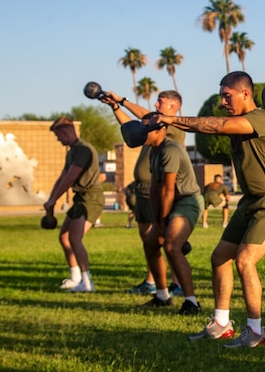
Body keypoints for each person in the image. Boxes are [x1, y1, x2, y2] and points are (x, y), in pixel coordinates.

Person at [157, 72, 265, 349]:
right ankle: (221, 324)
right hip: (250, 201)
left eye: (227, 95)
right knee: (220, 257)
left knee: (244, 261)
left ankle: (255, 331)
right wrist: (121, 102)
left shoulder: (259, 119)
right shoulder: (240, 120)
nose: (222, 101)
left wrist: (172, 120)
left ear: (245, 93)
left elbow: (216, 126)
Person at [99, 88, 187, 295]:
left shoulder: (173, 126)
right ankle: (152, 282)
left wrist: (123, 100)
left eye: (161, 102)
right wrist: (114, 107)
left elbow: (146, 117)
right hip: (142, 189)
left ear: (174, 106)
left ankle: (178, 284)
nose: (156, 105)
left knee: (167, 240)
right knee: (149, 240)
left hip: (158, 189)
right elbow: (132, 127)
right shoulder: (150, 128)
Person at [133, 113, 205, 315]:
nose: (141, 132)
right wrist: (157, 221)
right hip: (170, 201)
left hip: (187, 200)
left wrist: (164, 222)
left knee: (172, 246)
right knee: (150, 243)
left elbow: (168, 190)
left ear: (160, 130)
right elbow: (156, 189)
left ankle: (191, 302)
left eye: (145, 128)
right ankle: (162, 296)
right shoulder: (154, 151)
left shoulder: (170, 149)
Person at [44, 116, 103, 292]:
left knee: (74, 238)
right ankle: (75, 277)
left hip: (91, 197)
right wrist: (51, 200)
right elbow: (62, 176)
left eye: (58, 136)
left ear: (65, 132)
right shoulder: (72, 151)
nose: (58, 140)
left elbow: (71, 177)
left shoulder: (83, 150)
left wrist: (54, 199)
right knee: (64, 237)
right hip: (80, 198)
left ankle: (87, 283)